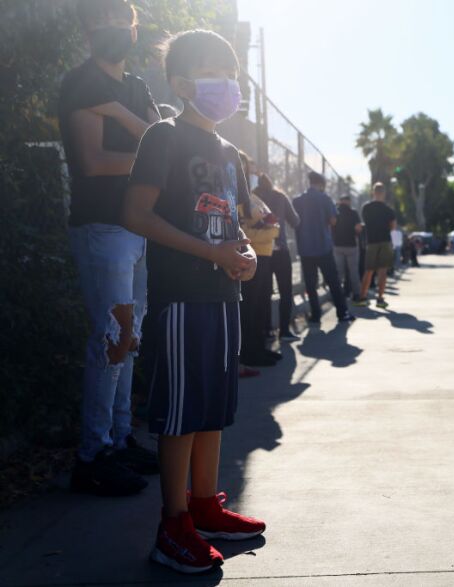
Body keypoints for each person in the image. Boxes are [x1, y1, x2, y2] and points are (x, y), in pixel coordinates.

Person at [122, 29, 266, 573]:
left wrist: (243, 255)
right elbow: (136, 215)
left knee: (211, 407)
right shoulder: (164, 137)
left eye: (232, 75)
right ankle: (174, 523)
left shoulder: (229, 151)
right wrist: (209, 250)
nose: (227, 85)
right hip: (181, 297)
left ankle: (206, 506)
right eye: (215, 74)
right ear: (183, 83)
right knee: (181, 413)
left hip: (221, 295)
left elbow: (232, 222)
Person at [60, 0, 161, 497]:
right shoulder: (80, 82)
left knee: (129, 338)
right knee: (112, 338)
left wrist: (122, 112)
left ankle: (120, 440)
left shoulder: (133, 87)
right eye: (101, 21)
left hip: (137, 227)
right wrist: (145, 148)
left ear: (134, 28)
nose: (113, 28)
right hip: (102, 228)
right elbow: (94, 162)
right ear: (87, 30)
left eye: (121, 20)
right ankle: (92, 455)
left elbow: (160, 142)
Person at [292, 172, 355, 325]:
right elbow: (333, 220)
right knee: (333, 281)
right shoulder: (325, 198)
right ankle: (342, 312)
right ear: (321, 184)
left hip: (305, 248)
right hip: (323, 246)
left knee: (310, 284)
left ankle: (315, 315)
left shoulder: (298, 200)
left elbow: (293, 221)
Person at [237, 158, 282, 368]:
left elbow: (274, 225)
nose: (254, 169)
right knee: (250, 308)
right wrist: (268, 232)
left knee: (261, 306)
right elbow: (244, 232)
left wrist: (270, 230)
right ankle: (249, 352)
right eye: (249, 165)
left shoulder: (253, 196)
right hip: (250, 257)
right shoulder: (236, 196)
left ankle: (259, 348)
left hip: (265, 257)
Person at [253, 173, 300, 341]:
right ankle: (284, 330)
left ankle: (266, 330)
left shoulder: (252, 197)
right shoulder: (280, 196)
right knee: (285, 291)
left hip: (259, 250)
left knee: (263, 293)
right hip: (280, 250)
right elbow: (295, 221)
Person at [355, 182, 396, 308]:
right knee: (382, 271)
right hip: (385, 241)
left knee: (368, 271)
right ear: (384, 193)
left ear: (373, 192)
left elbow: (365, 223)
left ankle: (362, 297)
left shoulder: (366, 207)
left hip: (371, 242)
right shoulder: (389, 210)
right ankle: (380, 299)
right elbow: (393, 227)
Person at [332, 194, 363, 301]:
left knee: (339, 272)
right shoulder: (353, 213)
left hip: (337, 246)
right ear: (349, 201)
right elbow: (358, 228)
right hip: (351, 246)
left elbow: (331, 225)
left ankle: (338, 294)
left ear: (340, 201)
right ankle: (357, 294)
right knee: (353, 271)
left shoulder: (335, 212)